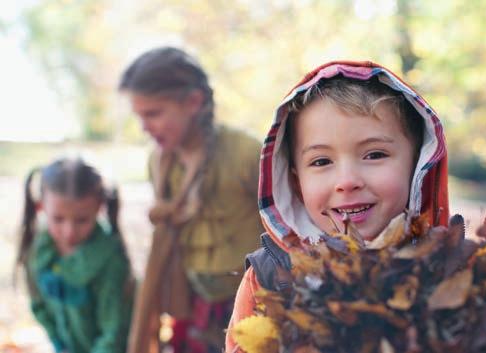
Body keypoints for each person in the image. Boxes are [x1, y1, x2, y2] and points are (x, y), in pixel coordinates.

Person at [225, 61, 451, 352]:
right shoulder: (268, 279)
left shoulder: (456, 272)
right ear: (296, 183)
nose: (347, 181)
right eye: (321, 161)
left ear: (418, 166)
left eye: (374, 154)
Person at [118, 46, 264, 353]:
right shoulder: (159, 164)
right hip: (195, 304)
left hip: (252, 302)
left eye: (153, 114)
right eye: (140, 116)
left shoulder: (246, 154)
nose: (145, 127)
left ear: (194, 102)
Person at [15, 157, 134, 353]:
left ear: (99, 208)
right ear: (41, 207)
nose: (69, 232)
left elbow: (114, 333)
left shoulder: (110, 262)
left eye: (81, 220)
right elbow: (38, 305)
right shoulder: (39, 252)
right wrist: (59, 345)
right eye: (58, 219)